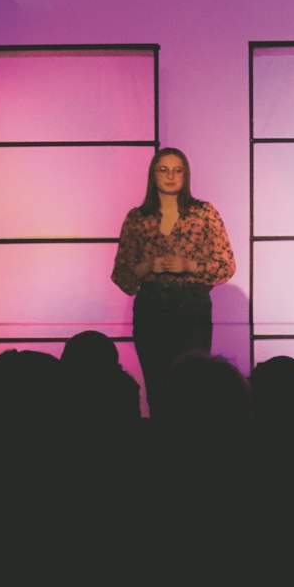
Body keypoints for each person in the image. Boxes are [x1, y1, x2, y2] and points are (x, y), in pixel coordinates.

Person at [110, 147, 235, 416]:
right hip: (152, 306)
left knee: (194, 387)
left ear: (186, 175)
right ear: (153, 175)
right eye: (163, 170)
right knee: (157, 388)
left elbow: (226, 265)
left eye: (178, 170)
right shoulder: (138, 218)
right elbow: (122, 274)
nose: (170, 176)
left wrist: (190, 266)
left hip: (192, 306)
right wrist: (149, 266)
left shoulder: (204, 213)